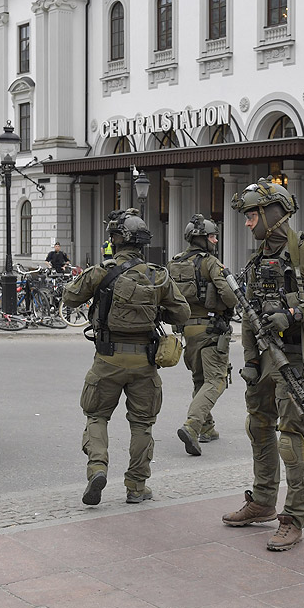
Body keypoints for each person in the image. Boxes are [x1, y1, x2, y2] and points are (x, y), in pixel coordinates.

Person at [222, 178, 304, 551]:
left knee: (292, 441)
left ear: (272, 215)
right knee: (258, 428)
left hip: (297, 359)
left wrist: (296, 313)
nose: (247, 223)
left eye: (252, 216)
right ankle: (262, 501)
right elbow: (248, 314)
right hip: (263, 362)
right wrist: (247, 361)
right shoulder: (258, 258)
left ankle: (292, 518)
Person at [62, 208, 189, 506]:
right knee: (142, 424)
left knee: (97, 416)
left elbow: (69, 296)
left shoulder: (102, 271)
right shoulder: (158, 275)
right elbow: (182, 312)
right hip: (145, 363)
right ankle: (136, 487)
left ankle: (97, 468)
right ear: (143, 243)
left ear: (115, 240)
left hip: (107, 358)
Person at [168, 214, 239, 456]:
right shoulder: (209, 262)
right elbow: (229, 296)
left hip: (187, 330)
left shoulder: (174, 262)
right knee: (216, 380)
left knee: (200, 379)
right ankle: (193, 425)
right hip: (210, 330)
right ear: (201, 239)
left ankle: (207, 427)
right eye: (212, 236)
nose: (216, 240)